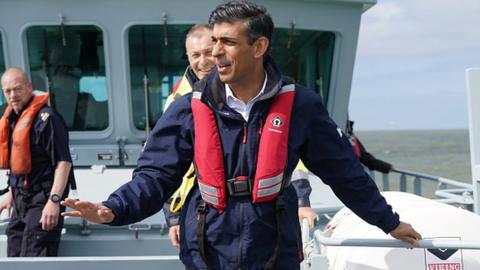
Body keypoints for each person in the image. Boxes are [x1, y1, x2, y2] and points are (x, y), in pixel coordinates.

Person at [63, 1, 421, 269]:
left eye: (227, 42)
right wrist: (111, 209)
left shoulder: (302, 106)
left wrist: (388, 222)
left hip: (274, 243)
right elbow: (156, 175)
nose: (215, 52)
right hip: (207, 244)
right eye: (214, 41)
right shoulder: (190, 107)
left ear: (259, 46)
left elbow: (344, 173)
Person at [0, 67, 73, 257]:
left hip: (42, 199)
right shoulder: (13, 119)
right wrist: (11, 194)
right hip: (20, 199)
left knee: (35, 257)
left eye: (17, 89)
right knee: (14, 255)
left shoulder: (48, 120)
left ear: (29, 87)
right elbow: (19, 162)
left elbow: (63, 163)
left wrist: (54, 202)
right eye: (8, 91)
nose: (13, 95)